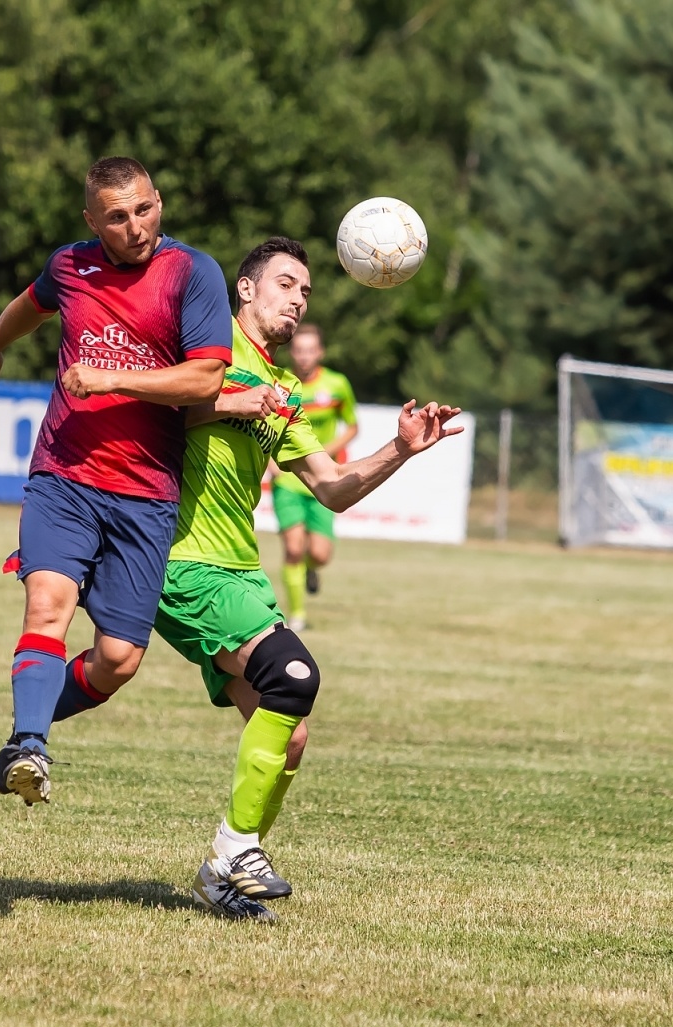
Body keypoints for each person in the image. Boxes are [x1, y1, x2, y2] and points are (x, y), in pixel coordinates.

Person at [149, 236, 461, 921]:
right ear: (246, 289)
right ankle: (236, 848)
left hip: (239, 569)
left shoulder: (283, 390)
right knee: (292, 676)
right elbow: (151, 410)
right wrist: (232, 403)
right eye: (287, 284)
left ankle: (221, 875)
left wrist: (401, 449)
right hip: (182, 561)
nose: (298, 299)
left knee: (288, 731)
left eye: (307, 292)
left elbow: (333, 488)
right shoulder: (201, 347)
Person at [0, 156, 234, 806]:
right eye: (117, 217)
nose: (134, 226)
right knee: (47, 607)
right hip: (64, 476)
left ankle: (24, 731)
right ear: (93, 221)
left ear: (160, 202)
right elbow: (28, 307)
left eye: (144, 208)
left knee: (118, 660)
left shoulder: (192, 273)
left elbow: (205, 379)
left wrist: (111, 378)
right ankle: (32, 744)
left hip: (146, 496)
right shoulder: (70, 265)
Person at [270, 323, 358, 630]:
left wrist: (323, 451)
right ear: (291, 351)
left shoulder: (337, 385)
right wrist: (269, 461)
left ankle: (312, 569)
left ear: (319, 352)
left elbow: (352, 427)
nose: (304, 356)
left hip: (323, 478)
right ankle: (297, 616)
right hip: (288, 479)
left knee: (319, 554)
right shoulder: (280, 382)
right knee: (293, 548)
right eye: (299, 350)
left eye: (310, 350)